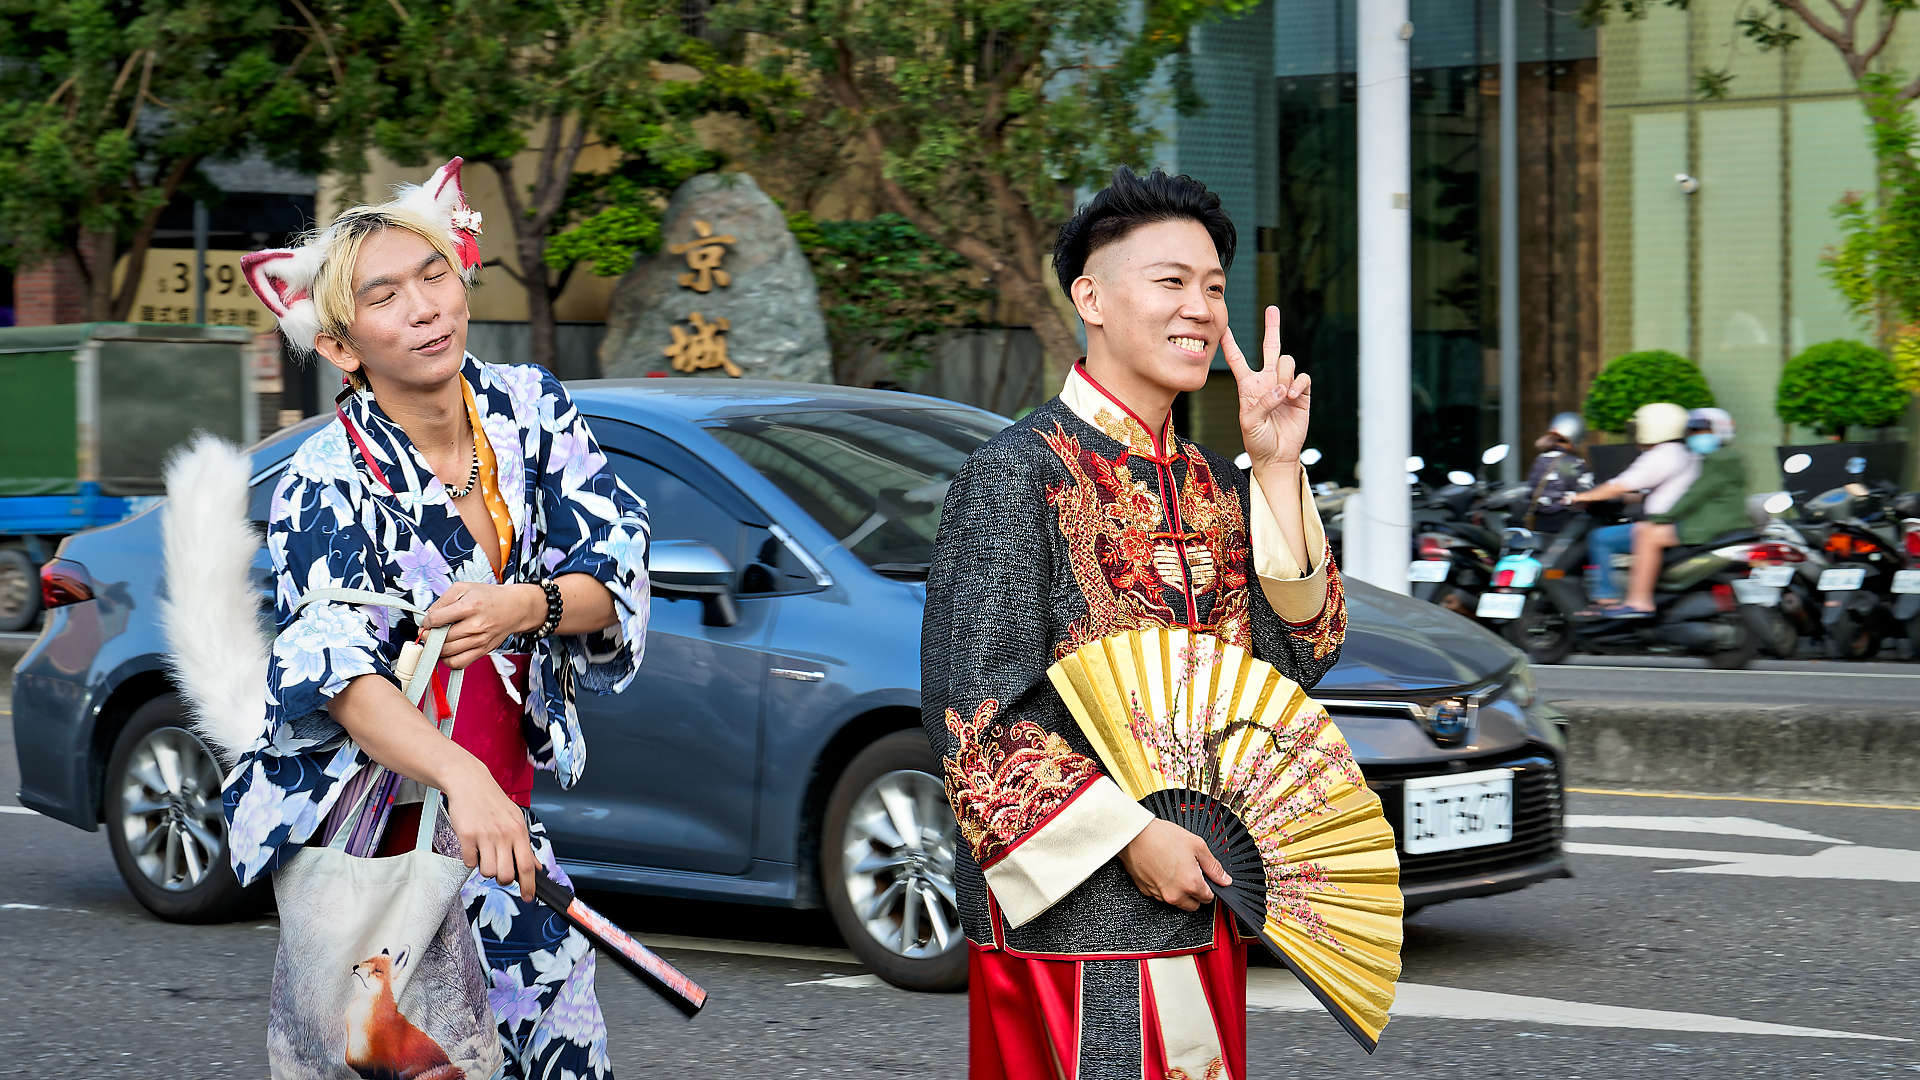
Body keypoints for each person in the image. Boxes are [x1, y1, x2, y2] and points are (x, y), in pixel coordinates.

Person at [226, 158, 650, 1077]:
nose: (424, 308)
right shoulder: (323, 484)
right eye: (385, 296)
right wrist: (463, 780)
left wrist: (521, 606)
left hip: (506, 829)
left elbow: (613, 572)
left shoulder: (532, 410)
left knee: (563, 1047)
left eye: (433, 277)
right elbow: (339, 677)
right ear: (342, 347)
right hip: (393, 845)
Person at [921, 166, 1344, 1080]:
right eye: (1171, 282)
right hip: (1075, 930)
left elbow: (1298, 660)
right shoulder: (1016, 476)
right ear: (1092, 297)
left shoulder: (1208, 482)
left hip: (1203, 903)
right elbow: (973, 724)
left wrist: (1274, 472)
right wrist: (1129, 834)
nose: (1200, 308)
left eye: (1216, 289)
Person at [1612, 408, 1750, 616]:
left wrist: (1663, 517)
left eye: (1703, 430)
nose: (1695, 436)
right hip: (1723, 521)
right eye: (1693, 431)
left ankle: (1639, 601)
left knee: (1648, 534)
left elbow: (1695, 494)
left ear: (1720, 431)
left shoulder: (1717, 459)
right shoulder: (1726, 457)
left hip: (1711, 525)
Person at [1568, 401, 1696, 614]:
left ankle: (1607, 599)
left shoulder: (1662, 455)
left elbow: (1619, 484)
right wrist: (1625, 497)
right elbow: (1647, 490)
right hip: (1676, 521)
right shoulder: (1681, 452)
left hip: (1666, 525)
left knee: (1601, 538)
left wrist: (1581, 496)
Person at [1523, 412, 1592, 534]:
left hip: (1540, 518)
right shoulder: (1570, 462)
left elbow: (1531, 489)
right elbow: (1584, 490)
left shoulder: (1540, 459)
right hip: (1564, 520)